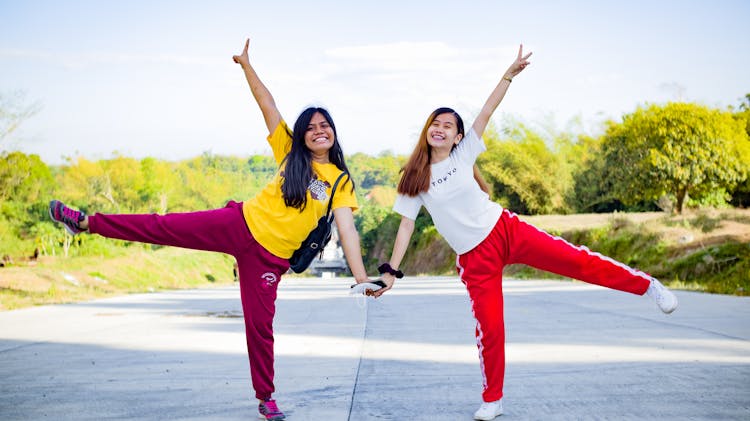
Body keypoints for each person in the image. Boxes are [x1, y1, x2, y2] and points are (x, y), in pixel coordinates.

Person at [48, 38, 375, 421]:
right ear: (302, 134)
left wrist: (361, 278)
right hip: (237, 224)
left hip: (269, 260)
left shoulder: (339, 181)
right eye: (312, 126)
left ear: (333, 133)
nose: (319, 130)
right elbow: (267, 103)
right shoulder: (289, 150)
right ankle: (87, 223)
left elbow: (347, 231)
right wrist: (247, 66)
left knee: (259, 327)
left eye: (326, 126)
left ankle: (265, 397)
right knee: (163, 226)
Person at [372, 45, 678, 421]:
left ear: (457, 137)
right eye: (435, 123)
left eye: (448, 125)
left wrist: (508, 75)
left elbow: (487, 110)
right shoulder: (414, 178)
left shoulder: (464, 154)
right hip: (474, 259)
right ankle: (493, 399)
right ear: (427, 130)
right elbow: (405, 226)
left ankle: (648, 286)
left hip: (506, 230)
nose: (440, 129)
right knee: (491, 328)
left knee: (577, 262)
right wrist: (391, 273)